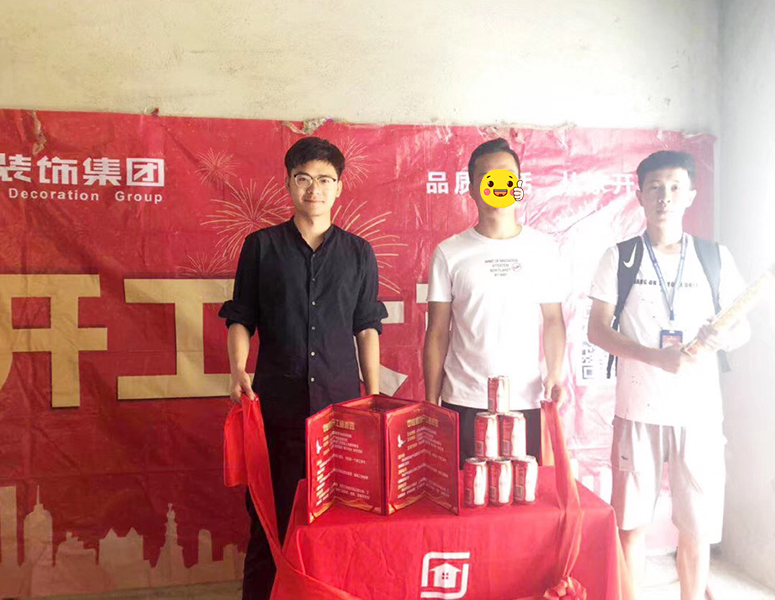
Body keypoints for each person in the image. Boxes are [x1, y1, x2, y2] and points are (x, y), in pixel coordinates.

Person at [219, 136, 387, 600]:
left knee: (337, 520)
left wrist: (372, 395)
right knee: (268, 520)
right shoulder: (261, 247)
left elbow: (366, 326)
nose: (315, 189)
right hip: (277, 410)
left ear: (340, 187)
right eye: (304, 178)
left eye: (325, 180)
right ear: (288, 183)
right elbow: (241, 317)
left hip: (339, 414)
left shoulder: (359, 253)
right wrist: (238, 370)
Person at [587, 150, 750, 600]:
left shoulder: (715, 258)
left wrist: (719, 338)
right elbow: (597, 330)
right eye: (655, 187)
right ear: (639, 194)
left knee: (696, 527)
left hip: (699, 415)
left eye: (675, 187)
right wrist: (653, 357)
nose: (665, 197)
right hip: (637, 410)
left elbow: (742, 329)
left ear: (691, 195)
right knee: (631, 524)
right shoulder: (620, 258)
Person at [423, 137, 568, 466]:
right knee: (467, 490)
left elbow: (553, 320)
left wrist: (555, 374)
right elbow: (437, 331)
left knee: (522, 492)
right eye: (488, 178)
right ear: (472, 189)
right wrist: (432, 400)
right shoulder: (449, 252)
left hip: (525, 398)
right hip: (464, 397)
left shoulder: (543, 250)